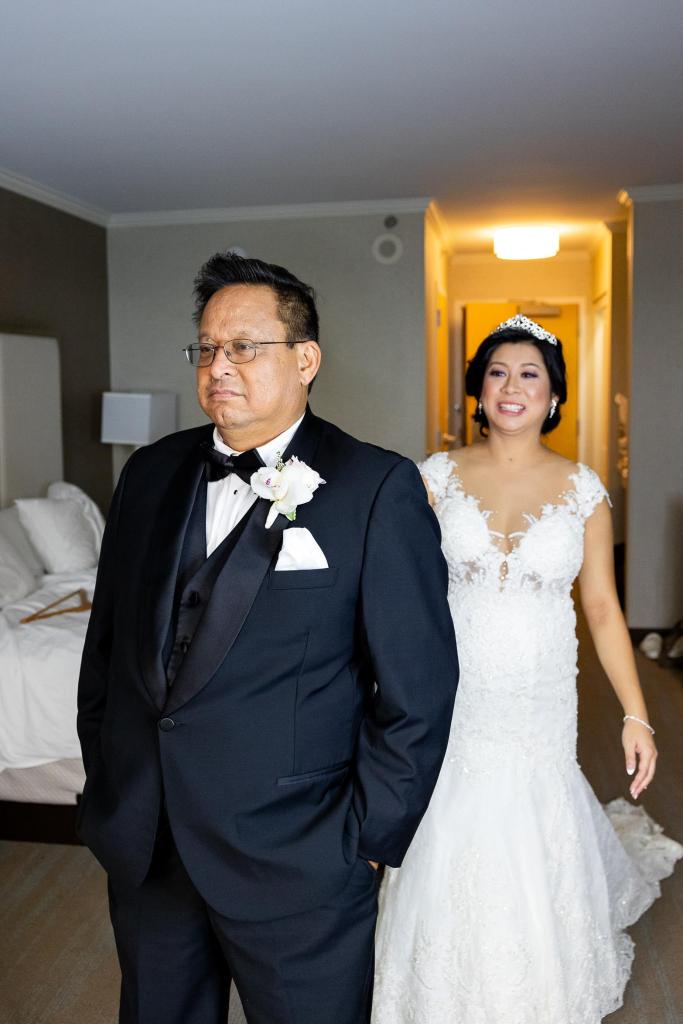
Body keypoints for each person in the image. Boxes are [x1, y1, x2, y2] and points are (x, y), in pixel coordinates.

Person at [76, 252, 458, 1024]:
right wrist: (112, 782)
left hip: (300, 856)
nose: (219, 366)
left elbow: (417, 689)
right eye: (207, 347)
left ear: (305, 360)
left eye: (244, 347)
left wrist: (367, 841)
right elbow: (107, 651)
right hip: (149, 846)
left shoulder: (375, 487)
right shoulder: (148, 473)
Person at [372, 315, 682, 1024]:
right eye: (497, 373)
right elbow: (399, 589)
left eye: (529, 374)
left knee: (533, 809)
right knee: (449, 808)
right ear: (479, 391)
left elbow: (601, 608)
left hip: (539, 693)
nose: (511, 387)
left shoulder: (583, 490)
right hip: (454, 686)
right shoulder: (434, 477)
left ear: (553, 395)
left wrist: (636, 714)